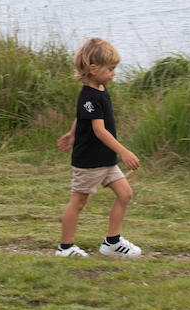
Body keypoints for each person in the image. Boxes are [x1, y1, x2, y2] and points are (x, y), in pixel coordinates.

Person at [55, 37, 142, 258]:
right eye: (110, 69)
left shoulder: (100, 87)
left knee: (125, 194)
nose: (114, 73)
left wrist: (72, 133)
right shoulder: (89, 96)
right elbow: (99, 130)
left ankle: (112, 242)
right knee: (79, 201)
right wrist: (124, 151)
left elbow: (81, 118)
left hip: (105, 159)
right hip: (89, 162)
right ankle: (65, 248)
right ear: (93, 69)